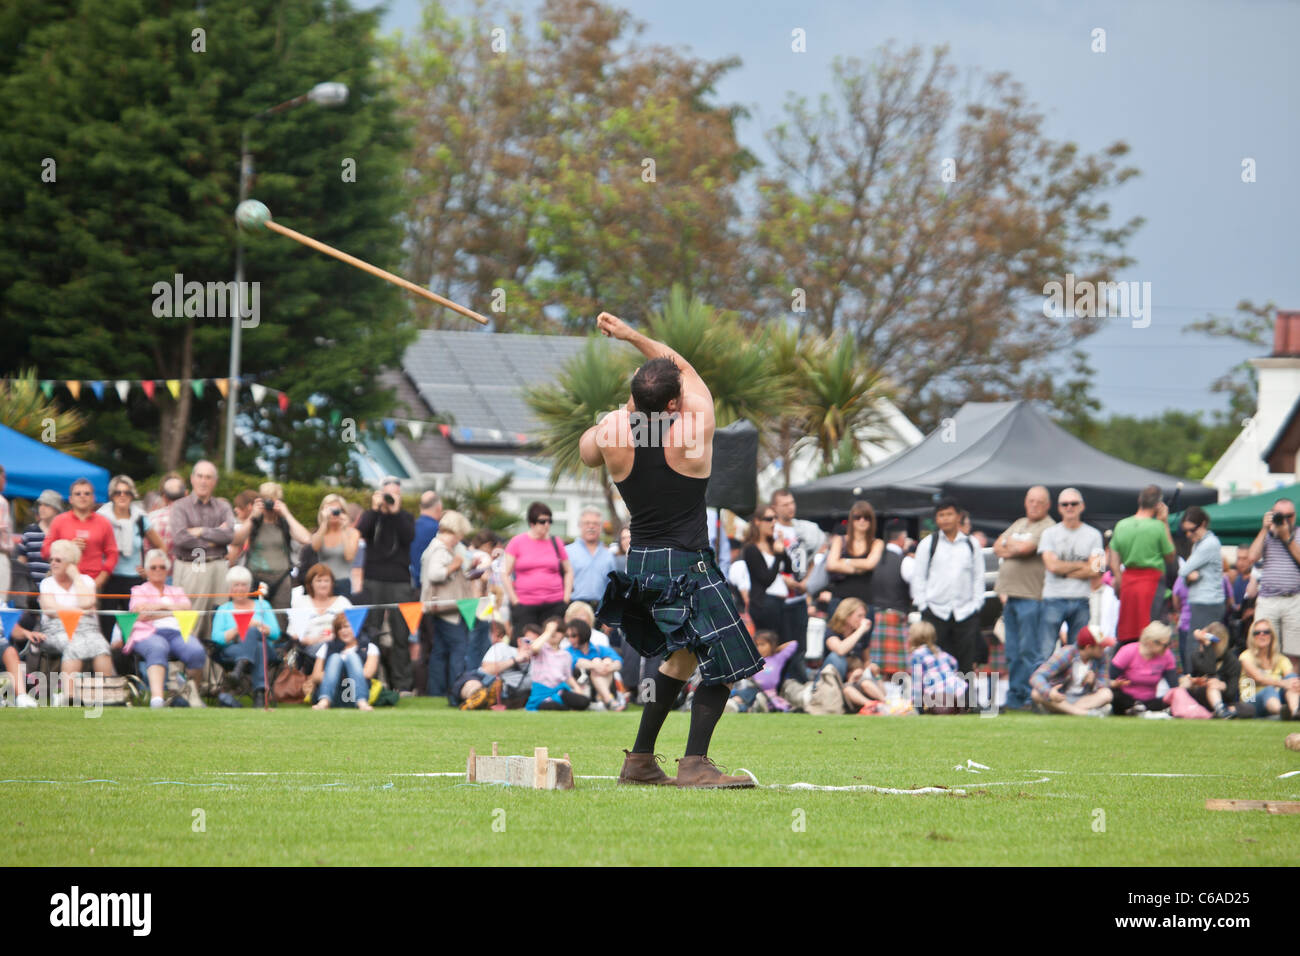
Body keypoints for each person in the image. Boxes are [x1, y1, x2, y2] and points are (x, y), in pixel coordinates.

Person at [583, 310, 762, 788]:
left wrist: (628, 407)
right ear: (673, 404)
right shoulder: (692, 432)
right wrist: (632, 336)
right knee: (728, 657)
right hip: (686, 560)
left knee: (682, 657)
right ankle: (695, 764)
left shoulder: (611, 432)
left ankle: (640, 760)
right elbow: (690, 374)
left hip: (641, 562)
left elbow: (586, 450)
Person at [993, 486, 1055, 710]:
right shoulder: (1020, 522)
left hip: (1032, 596)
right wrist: (1012, 547)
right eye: (1031, 501)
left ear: (1047, 505)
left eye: (1040, 502)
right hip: (1010, 597)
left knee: (1029, 651)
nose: (1035, 505)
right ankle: (1015, 697)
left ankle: (1031, 697)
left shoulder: (1048, 527)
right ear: (1025, 502)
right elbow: (996, 546)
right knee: (1012, 651)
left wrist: (1011, 545)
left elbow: (1027, 548)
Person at [910, 498, 984, 675]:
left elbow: (978, 578)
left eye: (949, 514)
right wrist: (923, 605)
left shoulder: (971, 544)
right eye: (941, 515)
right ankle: (937, 700)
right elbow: (918, 577)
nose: (945, 519)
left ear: (958, 516)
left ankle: (967, 701)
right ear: (936, 519)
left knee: (966, 661)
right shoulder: (928, 544)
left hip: (965, 611)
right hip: (935, 611)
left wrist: (976, 605)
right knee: (934, 660)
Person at [356, 477, 416, 694]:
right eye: (387, 494)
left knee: (401, 633)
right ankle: (372, 679)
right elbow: (361, 530)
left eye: (395, 495)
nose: (390, 499)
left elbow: (409, 536)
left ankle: (403, 684)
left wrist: (396, 512)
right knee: (372, 631)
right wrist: (374, 510)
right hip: (374, 579)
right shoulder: (373, 516)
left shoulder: (406, 517)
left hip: (399, 580)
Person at [36, 539, 116, 699]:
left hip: (87, 628)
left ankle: (107, 696)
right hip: (55, 629)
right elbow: (51, 610)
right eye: (51, 559)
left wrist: (76, 577)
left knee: (102, 646)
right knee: (75, 645)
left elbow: (87, 602)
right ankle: (69, 696)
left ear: (71, 563)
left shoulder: (86, 581)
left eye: (58, 560)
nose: (53, 563)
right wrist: (81, 611)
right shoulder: (47, 583)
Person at [126, 550, 206, 708]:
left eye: (162, 567)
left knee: (196, 650)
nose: (158, 570)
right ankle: (157, 699)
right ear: (147, 570)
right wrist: (170, 609)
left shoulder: (177, 591)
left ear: (167, 570)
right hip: (148, 633)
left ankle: (191, 695)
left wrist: (156, 608)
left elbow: (186, 609)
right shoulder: (138, 590)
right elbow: (140, 615)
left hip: (177, 633)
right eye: (153, 567)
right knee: (157, 647)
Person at [1037, 487, 1104, 677]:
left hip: (1081, 599)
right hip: (1053, 598)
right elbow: (1051, 566)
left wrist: (1063, 568)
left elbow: (1096, 570)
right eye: (1065, 504)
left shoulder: (1094, 535)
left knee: (1080, 652)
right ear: (1058, 508)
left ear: (1081, 506)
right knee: (1046, 651)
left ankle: (1072, 692)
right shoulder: (1049, 533)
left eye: (1073, 503)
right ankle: (1040, 692)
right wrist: (1082, 566)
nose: (1069, 507)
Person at [169, 461, 235, 634]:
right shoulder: (180, 506)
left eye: (208, 477)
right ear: (192, 479)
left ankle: (212, 661)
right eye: (200, 476)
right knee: (191, 619)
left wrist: (200, 531)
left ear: (215, 481)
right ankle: (185, 660)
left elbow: (229, 535)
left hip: (219, 567)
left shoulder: (223, 506)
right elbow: (180, 539)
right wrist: (213, 540)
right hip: (192, 565)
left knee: (218, 619)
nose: (203, 481)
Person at [419, 509, 476, 700]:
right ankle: (456, 689)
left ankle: (436, 691)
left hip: (440, 609)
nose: (459, 539)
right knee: (459, 647)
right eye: (459, 534)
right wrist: (456, 564)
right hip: (447, 608)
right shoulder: (440, 549)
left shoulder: (436, 547)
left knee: (440, 650)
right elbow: (435, 574)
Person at [1109, 485, 1176, 644]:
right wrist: (1164, 522)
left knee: (1128, 633)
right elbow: (1170, 556)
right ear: (1158, 504)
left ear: (1140, 500)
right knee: (1154, 635)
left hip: (1129, 584)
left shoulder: (1121, 525)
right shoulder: (1158, 526)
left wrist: (1119, 581)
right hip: (1151, 585)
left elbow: (1113, 562)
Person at [229, 482, 311, 609]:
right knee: (255, 618)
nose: (269, 505)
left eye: (274, 501)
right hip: (255, 579)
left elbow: (306, 539)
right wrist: (253, 516)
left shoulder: (284, 523)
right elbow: (235, 540)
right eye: (266, 500)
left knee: (280, 620)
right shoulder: (254, 522)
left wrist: (286, 514)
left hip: (281, 579)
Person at [211, 565, 282, 708]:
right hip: (233, 649)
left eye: (244, 585)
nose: (240, 589)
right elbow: (216, 638)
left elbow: (276, 633)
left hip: (267, 651)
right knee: (258, 646)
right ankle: (260, 694)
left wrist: (259, 626)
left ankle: (240, 668)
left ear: (249, 587)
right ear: (230, 589)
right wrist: (239, 628)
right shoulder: (224, 609)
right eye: (236, 585)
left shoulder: (263, 605)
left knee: (255, 635)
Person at [770, 488, 824, 667]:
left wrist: (807, 581)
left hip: (800, 598)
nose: (790, 508)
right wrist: (787, 581)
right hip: (778, 598)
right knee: (779, 646)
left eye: (792, 503)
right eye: (784, 505)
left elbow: (817, 557)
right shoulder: (770, 529)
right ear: (774, 507)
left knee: (800, 648)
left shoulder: (806, 529)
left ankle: (796, 685)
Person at [1245, 497, 1300, 674]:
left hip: (1294, 599)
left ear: (1295, 516)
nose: (1284, 519)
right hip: (1268, 599)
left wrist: (1287, 538)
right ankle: (1261, 692)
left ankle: (1290, 694)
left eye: (1289, 516)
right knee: (1260, 650)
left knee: (1294, 653)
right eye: (1279, 515)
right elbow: (1251, 558)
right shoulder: (1267, 535)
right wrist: (1264, 529)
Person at [42, 478, 118, 596]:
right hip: (62, 582)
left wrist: (100, 580)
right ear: (71, 499)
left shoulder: (104, 523)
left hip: (92, 582)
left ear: (93, 498)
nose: (82, 496)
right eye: (78, 494)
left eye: (87, 493)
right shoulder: (59, 521)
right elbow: (45, 551)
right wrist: (68, 547)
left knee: (88, 615)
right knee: (61, 614)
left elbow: (112, 554)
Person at [503, 502, 572, 630]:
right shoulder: (517, 542)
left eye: (549, 521)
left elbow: (568, 570)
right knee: (525, 642)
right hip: (525, 604)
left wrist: (566, 598)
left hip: (554, 604)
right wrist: (515, 601)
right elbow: (505, 574)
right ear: (532, 522)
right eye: (542, 521)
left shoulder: (556, 542)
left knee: (551, 644)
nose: (547, 525)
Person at [740, 508, 795, 648]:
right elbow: (766, 579)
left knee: (786, 646)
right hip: (764, 604)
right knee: (772, 647)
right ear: (757, 522)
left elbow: (789, 568)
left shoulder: (773, 545)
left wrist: (782, 549)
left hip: (781, 602)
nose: (774, 522)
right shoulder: (751, 549)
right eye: (769, 519)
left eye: (775, 518)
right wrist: (777, 555)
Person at [1028, 626, 1115, 716]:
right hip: (1061, 697)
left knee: (1107, 694)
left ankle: (1063, 710)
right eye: (1101, 646)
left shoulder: (1102, 657)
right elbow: (1036, 676)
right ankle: (1085, 713)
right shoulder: (1067, 653)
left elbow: (1103, 684)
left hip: (1083, 698)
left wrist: (1093, 683)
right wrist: (1050, 693)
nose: (1104, 649)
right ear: (1088, 647)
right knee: (1036, 693)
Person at [1177, 505, 1225, 666]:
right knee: (1201, 644)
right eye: (1186, 531)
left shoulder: (1209, 543)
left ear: (1203, 523)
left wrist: (1190, 575)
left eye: (1192, 530)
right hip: (1203, 601)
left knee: (1196, 644)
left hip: (1207, 602)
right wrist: (1190, 576)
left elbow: (1184, 570)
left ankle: (1194, 681)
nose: (1189, 535)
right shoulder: (1200, 543)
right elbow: (1188, 576)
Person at [825, 500, 883, 623]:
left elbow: (870, 564)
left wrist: (843, 561)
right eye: (858, 517)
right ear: (852, 520)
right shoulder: (839, 540)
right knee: (835, 639)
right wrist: (859, 567)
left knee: (861, 641)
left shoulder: (876, 543)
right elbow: (831, 564)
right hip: (840, 600)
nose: (862, 520)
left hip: (864, 602)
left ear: (871, 520)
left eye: (866, 517)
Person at [870, 519, 914, 679]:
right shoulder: (906, 562)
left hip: (874, 618)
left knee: (877, 670)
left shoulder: (872, 560)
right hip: (896, 618)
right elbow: (916, 592)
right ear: (902, 538)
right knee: (898, 672)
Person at [1108, 621, 1178, 715]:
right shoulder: (1128, 651)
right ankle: (1137, 709)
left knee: (1175, 697)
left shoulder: (1167, 656)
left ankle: (1140, 710)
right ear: (1151, 642)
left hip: (1151, 701)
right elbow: (1110, 678)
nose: (1167, 649)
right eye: (1164, 645)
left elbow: (1174, 685)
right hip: (1126, 698)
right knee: (1115, 696)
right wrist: (1116, 683)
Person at [310, 613, 377, 711]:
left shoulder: (369, 647)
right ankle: (324, 700)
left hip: (355, 693)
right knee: (335, 658)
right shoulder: (327, 647)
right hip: (335, 695)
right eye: (339, 628)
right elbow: (315, 676)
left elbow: (368, 673)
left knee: (352, 657)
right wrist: (334, 671)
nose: (343, 631)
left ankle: (361, 701)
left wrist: (347, 667)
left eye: (346, 627)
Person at [523, 617, 590, 711]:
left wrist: (577, 689)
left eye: (558, 630)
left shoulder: (566, 655)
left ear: (563, 634)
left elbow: (568, 677)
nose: (554, 633)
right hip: (541, 692)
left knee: (584, 701)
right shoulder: (541, 648)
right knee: (554, 707)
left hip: (560, 691)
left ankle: (563, 705)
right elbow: (533, 648)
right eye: (551, 630)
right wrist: (548, 632)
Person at [1237, 618, 1299, 719]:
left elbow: (1290, 678)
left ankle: (1294, 711)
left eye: (1266, 632)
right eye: (1257, 632)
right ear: (1252, 637)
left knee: (1292, 678)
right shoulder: (1245, 656)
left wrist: (1294, 683)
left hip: (1277, 698)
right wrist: (1283, 683)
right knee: (1269, 689)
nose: (1262, 635)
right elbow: (1259, 679)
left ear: (1272, 636)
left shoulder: (1281, 659)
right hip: (1251, 702)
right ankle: (1282, 712)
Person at [907, 618, 968, 713]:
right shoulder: (938, 651)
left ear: (914, 638)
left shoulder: (917, 655)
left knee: (935, 707)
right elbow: (954, 662)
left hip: (939, 696)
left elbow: (917, 683)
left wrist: (914, 703)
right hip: (958, 691)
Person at [1182, 622, 1239, 719]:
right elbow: (1210, 670)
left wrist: (1223, 686)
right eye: (1201, 642)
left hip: (1225, 700)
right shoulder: (1197, 655)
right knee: (1210, 683)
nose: (1202, 644)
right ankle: (1220, 711)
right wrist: (1207, 644)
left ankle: (1221, 711)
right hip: (1200, 696)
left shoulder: (1232, 661)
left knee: (1248, 709)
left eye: (1206, 642)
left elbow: (1231, 694)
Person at [566, 619, 625, 710]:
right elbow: (576, 662)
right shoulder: (568, 651)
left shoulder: (598, 648)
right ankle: (608, 700)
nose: (570, 639)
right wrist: (596, 665)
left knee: (607, 660)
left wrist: (608, 667)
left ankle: (604, 699)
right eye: (568, 636)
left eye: (573, 636)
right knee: (597, 661)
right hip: (581, 687)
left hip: (601, 680)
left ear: (583, 634)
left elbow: (618, 662)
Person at [310, 494, 361, 599]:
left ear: (344, 512)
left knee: (341, 615)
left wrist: (343, 529)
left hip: (343, 583)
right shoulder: (320, 532)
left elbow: (349, 556)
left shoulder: (353, 533)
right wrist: (324, 522)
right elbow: (315, 547)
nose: (334, 513)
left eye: (337, 510)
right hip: (322, 583)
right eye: (330, 510)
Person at [568, 508, 617, 606]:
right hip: (575, 606)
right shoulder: (567, 552)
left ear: (601, 527)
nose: (591, 526)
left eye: (595, 523)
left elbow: (613, 586)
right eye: (587, 523)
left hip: (602, 608)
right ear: (579, 525)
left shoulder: (609, 555)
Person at [19, 489, 64, 586]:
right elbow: (21, 562)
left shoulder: (63, 533)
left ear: (56, 509)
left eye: (47, 505)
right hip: (31, 590)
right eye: (40, 504)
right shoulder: (29, 531)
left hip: (56, 589)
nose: (42, 508)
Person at [147, 474, 187, 562]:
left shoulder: (150, 520)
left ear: (164, 497)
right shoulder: (197, 519)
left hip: (159, 573)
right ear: (186, 494)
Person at [409, 490, 443, 589]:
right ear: (439, 508)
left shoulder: (410, 526)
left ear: (420, 507)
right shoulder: (439, 530)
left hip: (411, 581)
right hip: (429, 585)